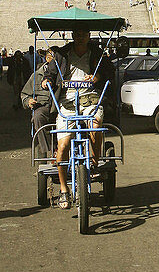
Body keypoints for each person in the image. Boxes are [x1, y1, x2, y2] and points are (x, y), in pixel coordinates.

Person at [42, 28, 114, 209]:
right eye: (77, 34)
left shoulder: (97, 53)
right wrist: (47, 81)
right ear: (73, 36)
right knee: (63, 145)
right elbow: (49, 73)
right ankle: (64, 190)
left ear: (89, 36)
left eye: (84, 34)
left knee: (96, 126)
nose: (80, 37)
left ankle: (94, 163)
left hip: (90, 99)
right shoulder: (61, 54)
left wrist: (96, 78)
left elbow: (108, 72)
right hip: (67, 102)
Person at [21, 48, 57, 159]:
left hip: (61, 107)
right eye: (53, 58)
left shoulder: (63, 73)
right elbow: (24, 94)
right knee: (37, 117)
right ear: (47, 58)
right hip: (44, 107)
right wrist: (28, 101)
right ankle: (49, 150)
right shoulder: (36, 75)